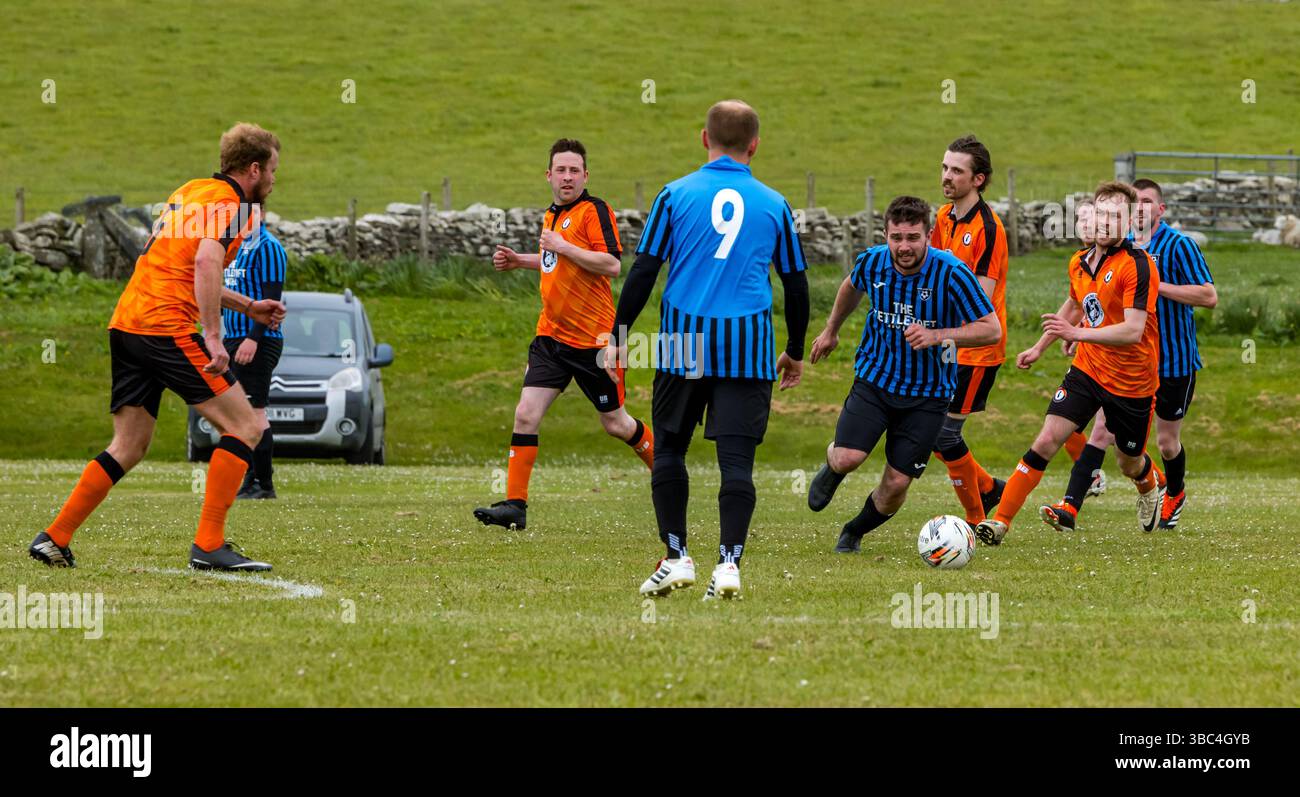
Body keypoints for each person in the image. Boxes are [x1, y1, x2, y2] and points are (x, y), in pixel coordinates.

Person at [29, 123, 285, 571]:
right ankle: (209, 545)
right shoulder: (231, 203)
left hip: (129, 322)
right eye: (274, 171)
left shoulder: (190, 191)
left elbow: (181, 265)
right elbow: (207, 261)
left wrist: (248, 305)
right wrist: (212, 335)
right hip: (167, 327)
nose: (274, 181)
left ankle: (55, 537)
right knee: (246, 426)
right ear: (254, 168)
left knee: (128, 445)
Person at [609, 99, 809, 600]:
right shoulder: (774, 204)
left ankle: (676, 556)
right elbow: (796, 284)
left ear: (704, 139)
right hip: (748, 346)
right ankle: (728, 565)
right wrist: (795, 349)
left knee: (670, 449)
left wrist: (619, 334)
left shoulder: (674, 195)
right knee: (736, 464)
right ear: (755, 146)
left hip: (683, 342)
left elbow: (644, 271)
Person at [473, 139, 653, 532]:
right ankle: (515, 507)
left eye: (575, 170)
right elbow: (557, 259)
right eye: (561, 170)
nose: (567, 177)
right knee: (525, 413)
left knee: (616, 424)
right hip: (551, 339)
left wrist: (562, 245)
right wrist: (523, 260)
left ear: (585, 176)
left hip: (594, 343)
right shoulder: (552, 216)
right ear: (549, 175)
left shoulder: (594, 210)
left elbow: (610, 264)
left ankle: (666, 472)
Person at [806, 196, 1000, 553]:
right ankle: (833, 469)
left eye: (913, 237)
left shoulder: (952, 272)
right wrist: (831, 329)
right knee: (848, 457)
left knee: (896, 485)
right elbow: (850, 286)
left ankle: (854, 531)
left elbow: (991, 329)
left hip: (929, 395)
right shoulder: (874, 262)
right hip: (876, 379)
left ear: (928, 234)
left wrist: (938, 335)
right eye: (896, 237)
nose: (904, 246)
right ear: (886, 235)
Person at [976, 181, 1164, 546]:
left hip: (1132, 382)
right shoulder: (1079, 262)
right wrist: (1039, 346)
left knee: (1129, 461)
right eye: (1102, 214)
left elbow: (1132, 331)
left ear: (1129, 222)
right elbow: (1076, 307)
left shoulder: (1138, 266)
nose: (1107, 223)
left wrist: (1076, 335)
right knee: (1047, 439)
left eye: (1116, 216)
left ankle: (1148, 482)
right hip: (1088, 369)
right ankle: (999, 522)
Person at [1040, 180, 1216, 532]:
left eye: (1150, 202)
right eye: (1138, 203)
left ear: (1160, 210)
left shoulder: (1179, 246)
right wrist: (1079, 333)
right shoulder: (1119, 249)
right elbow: (1088, 297)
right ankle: (1070, 507)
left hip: (1174, 361)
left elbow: (1209, 296)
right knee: (1101, 432)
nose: (1142, 209)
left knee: (1167, 444)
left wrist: (1155, 285)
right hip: (1124, 361)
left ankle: (1174, 492)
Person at [928, 135, 1011, 525]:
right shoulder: (943, 218)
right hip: (944, 345)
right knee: (930, 431)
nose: (947, 176)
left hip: (976, 351)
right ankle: (990, 489)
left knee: (943, 436)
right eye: (945, 167)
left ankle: (977, 521)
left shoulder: (989, 229)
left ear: (978, 180)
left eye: (956, 170)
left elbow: (980, 299)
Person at [223, 211, 288, 499]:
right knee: (239, 413)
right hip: (232, 338)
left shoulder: (268, 247)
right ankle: (249, 479)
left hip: (258, 341)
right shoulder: (233, 247)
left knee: (254, 410)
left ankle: (264, 484)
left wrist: (253, 338)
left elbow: (271, 302)